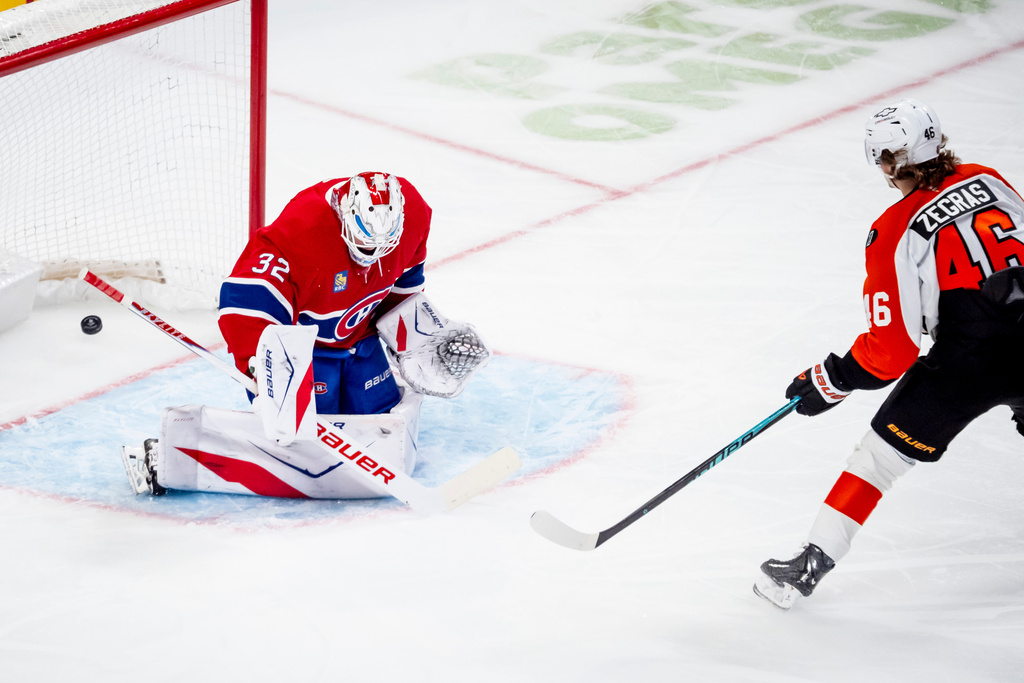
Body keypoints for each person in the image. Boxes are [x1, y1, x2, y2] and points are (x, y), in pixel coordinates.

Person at [753, 100, 1024, 609]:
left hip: (969, 360)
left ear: (883, 161)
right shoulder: (989, 178)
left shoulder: (894, 229)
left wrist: (830, 378)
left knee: (879, 459)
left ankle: (805, 569)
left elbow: (892, 350)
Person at [120, 172, 490, 498]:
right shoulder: (302, 230)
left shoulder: (415, 216)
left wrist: (416, 337)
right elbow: (244, 299)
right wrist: (262, 368)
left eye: (383, 248)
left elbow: (402, 287)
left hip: (359, 343)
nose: (372, 256)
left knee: (377, 422)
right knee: (300, 439)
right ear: (346, 216)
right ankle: (170, 454)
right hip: (307, 350)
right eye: (363, 245)